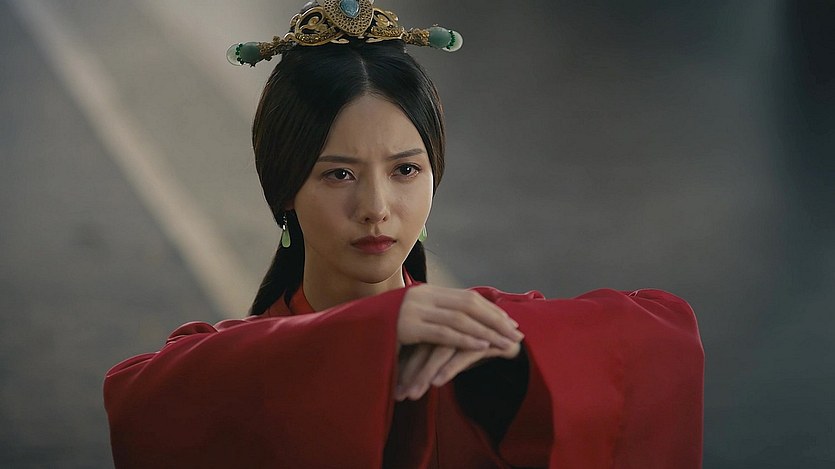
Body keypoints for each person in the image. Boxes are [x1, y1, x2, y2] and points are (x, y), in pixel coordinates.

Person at [103, 1, 704, 467]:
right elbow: (138, 405)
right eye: (338, 174)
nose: (376, 208)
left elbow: (665, 338)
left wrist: (521, 358)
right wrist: (368, 335)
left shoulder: (479, 338)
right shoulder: (225, 366)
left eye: (406, 171)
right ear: (285, 188)